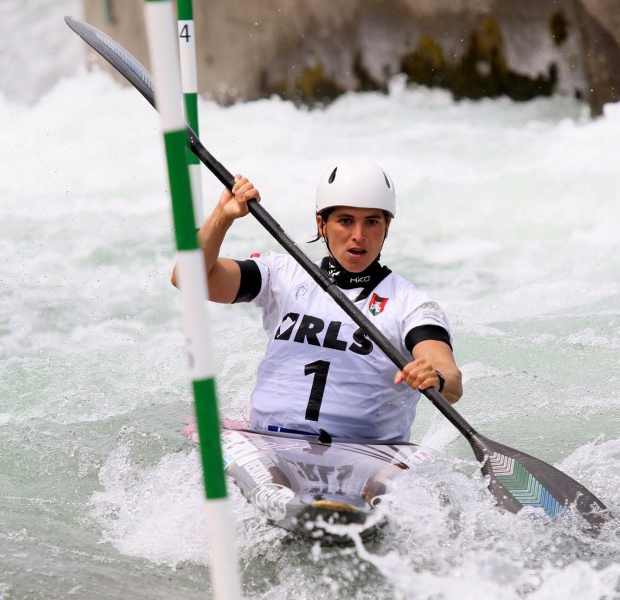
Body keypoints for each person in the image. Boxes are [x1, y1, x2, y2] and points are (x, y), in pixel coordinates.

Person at [172, 160, 462, 441]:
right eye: (345, 221)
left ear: (387, 227)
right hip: (269, 442)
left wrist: (435, 376)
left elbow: (451, 380)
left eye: (372, 222)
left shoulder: (411, 303)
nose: (358, 236)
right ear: (322, 224)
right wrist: (222, 217)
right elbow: (187, 278)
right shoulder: (282, 275)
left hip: (367, 452)